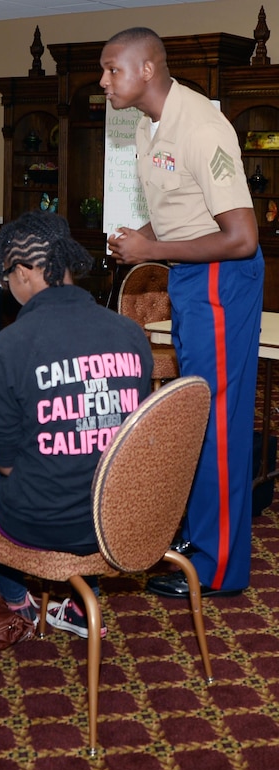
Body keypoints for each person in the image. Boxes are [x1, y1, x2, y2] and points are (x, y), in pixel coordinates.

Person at [102, 27, 264, 598]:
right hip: (193, 276)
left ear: (147, 68)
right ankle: (200, 539)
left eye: (112, 70)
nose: (104, 82)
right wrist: (139, 238)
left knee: (218, 419)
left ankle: (220, 569)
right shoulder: (148, 127)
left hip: (222, 278)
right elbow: (180, 215)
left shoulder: (200, 126)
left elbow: (241, 237)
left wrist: (151, 251)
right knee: (198, 412)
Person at [0, 210, 153, 638]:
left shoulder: (5, 348)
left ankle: (18, 600)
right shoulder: (130, 334)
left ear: (22, 273)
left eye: (5, 279)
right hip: (121, 517)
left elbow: (6, 466)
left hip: (47, 519)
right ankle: (75, 604)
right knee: (83, 465)